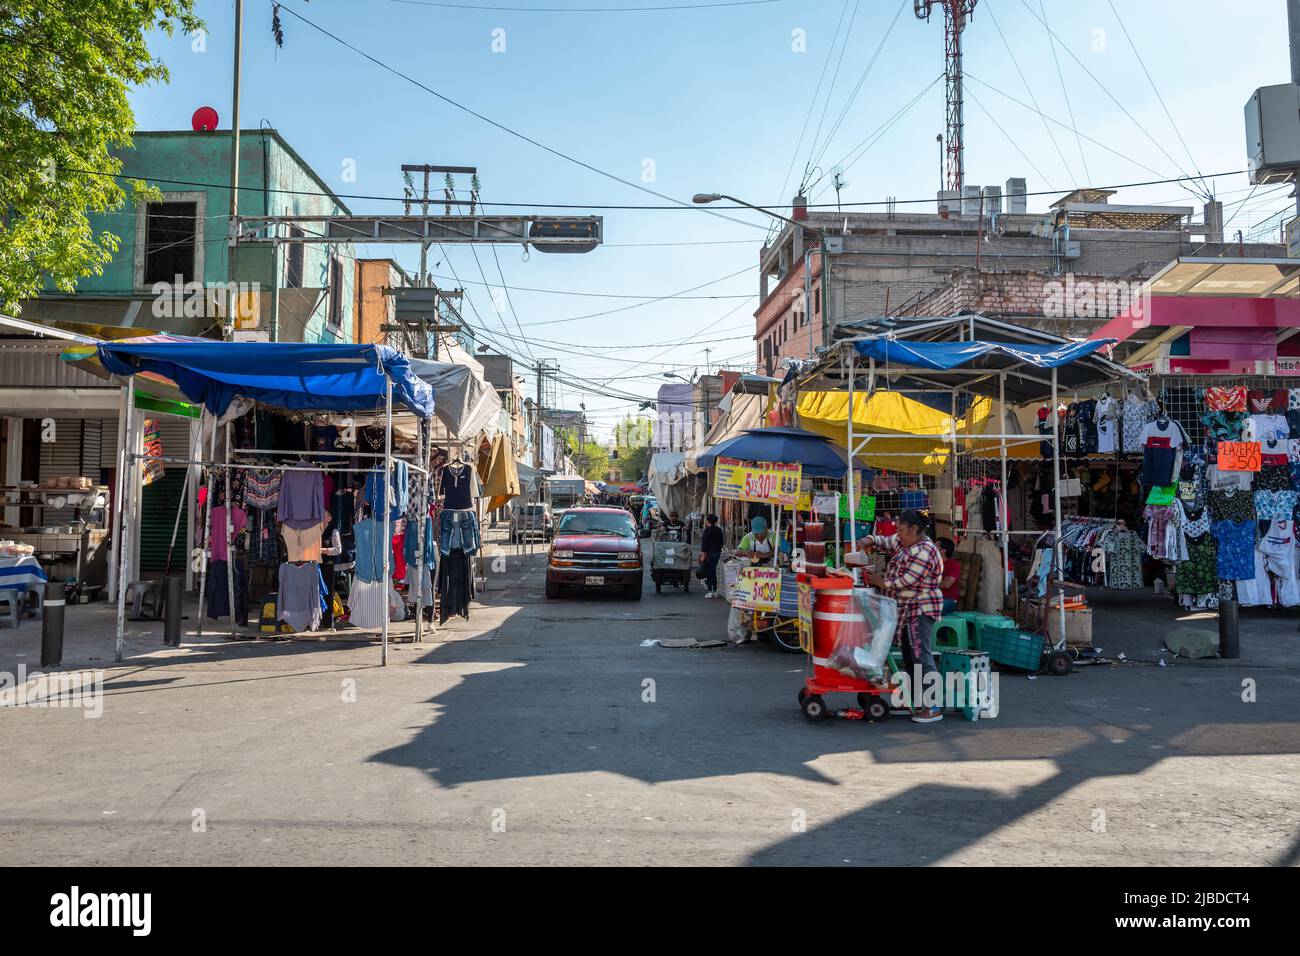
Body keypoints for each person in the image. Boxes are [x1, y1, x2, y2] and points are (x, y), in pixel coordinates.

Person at [856, 509, 945, 723]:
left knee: (921, 656)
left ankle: (934, 706)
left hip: (921, 609)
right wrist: (869, 539)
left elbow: (906, 581)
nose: (899, 534)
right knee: (909, 656)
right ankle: (914, 700)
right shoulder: (906, 543)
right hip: (906, 610)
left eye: (902, 531)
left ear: (915, 530)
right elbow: (887, 542)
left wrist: (881, 582)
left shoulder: (924, 550)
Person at [698, 513, 723, 598]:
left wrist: (702, 556)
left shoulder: (707, 530)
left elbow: (705, 545)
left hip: (709, 554)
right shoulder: (719, 530)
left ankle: (710, 591)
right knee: (715, 572)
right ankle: (715, 590)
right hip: (718, 553)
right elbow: (721, 543)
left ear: (707, 521)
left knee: (709, 572)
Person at [937, 537, 961, 615]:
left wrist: (929, 584)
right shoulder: (932, 563)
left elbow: (947, 584)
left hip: (948, 599)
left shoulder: (954, 564)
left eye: (935, 547)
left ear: (944, 550)